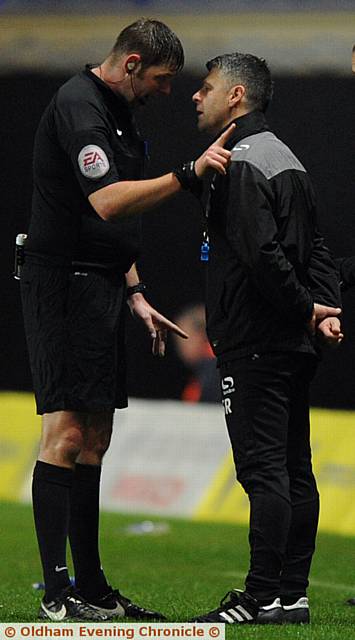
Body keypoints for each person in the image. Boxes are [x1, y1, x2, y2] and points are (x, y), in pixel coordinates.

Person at [20, 19, 234, 622]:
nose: (169, 92)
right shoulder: (79, 106)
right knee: (64, 437)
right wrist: (188, 175)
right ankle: (58, 596)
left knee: (96, 441)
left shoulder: (118, 113)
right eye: (163, 80)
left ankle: (91, 587)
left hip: (104, 286)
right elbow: (108, 201)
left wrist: (135, 290)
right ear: (133, 63)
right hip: (64, 285)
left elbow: (114, 225)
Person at [188, 52, 343, 625]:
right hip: (291, 343)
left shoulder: (243, 160)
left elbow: (260, 254)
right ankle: (293, 594)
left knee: (263, 471)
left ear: (236, 96)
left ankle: (260, 596)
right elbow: (316, 249)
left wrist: (305, 310)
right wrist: (325, 311)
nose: (195, 97)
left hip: (256, 339)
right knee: (293, 468)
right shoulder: (287, 157)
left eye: (205, 88)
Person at [174, 303, 220, 403]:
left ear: (200, 335)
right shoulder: (205, 368)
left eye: (183, 340)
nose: (181, 348)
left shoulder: (213, 366)